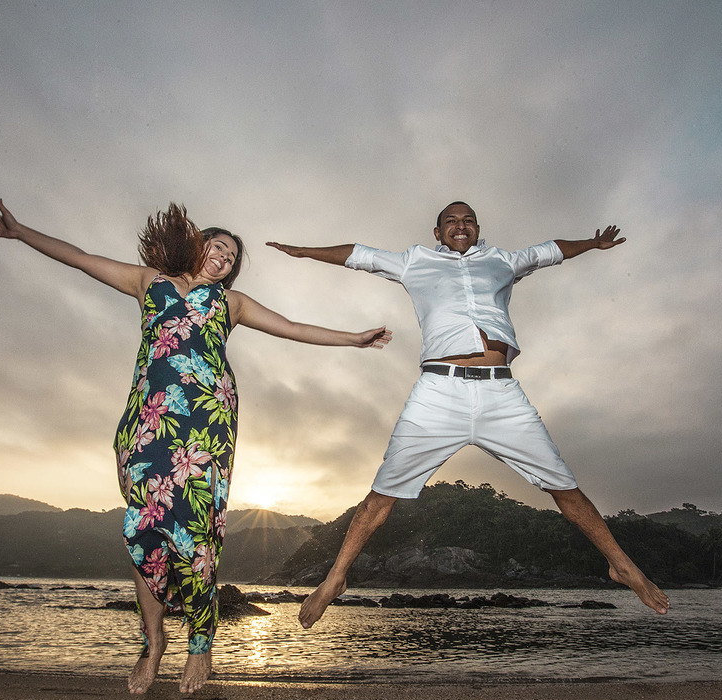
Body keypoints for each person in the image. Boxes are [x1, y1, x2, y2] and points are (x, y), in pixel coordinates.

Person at [0, 199, 391, 693]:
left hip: (206, 422)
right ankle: (153, 642)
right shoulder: (148, 281)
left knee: (195, 530)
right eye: (218, 247)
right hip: (148, 418)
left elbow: (294, 328)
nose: (224, 258)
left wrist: (353, 339)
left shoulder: (231, 304)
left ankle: (200, 642)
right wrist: (22, 232)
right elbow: (80, 258)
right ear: (197, 245)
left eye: (232, 257)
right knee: (144, 528)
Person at [267, 201, 670, 630]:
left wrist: (592, 243)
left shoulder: (503, 261)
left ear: (477, 228)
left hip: (501, 393)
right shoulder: (414, 262)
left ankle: (621, 566)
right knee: (381, 496)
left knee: (564, 486)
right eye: (451, 221)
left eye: (468, 221)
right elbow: (358, 255)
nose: (460, 226)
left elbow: (551, 250)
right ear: (437, 232)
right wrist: (304, 251)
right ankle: (335, 578)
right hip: (438, 392)